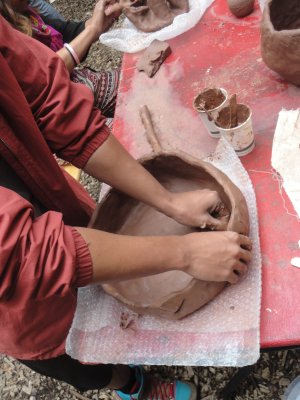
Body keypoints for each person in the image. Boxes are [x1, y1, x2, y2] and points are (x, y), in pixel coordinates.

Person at [0, 12, 252, 400]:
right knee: (79, 361)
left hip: (51, 207)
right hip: (14, 303)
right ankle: (134, 385)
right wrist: (183, 251)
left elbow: (54, 104)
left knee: (104, 278)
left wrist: (168, 202)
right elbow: (19, 255)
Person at [2, 0, 120, 119]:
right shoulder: (7, 40)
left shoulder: (27, 14)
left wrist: (103, 18)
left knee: (130, 84)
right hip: (61, 111)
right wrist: (93, 30)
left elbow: (65, 31)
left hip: (78, 83)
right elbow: (45, 76)